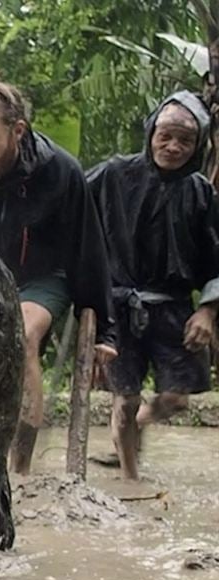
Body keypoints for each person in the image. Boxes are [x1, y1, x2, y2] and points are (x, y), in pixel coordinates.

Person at [0, 65, 117, 475]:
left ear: (17, 131)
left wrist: (106, 329)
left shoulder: (60, 171)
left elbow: (88, 250)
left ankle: (18, 468)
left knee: (21, 336)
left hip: (42, 278)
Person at [85, 90, 219, 480]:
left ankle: (136, 429)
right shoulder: (113, 174)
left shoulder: (201, 194)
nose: (173, 146)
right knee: (124, 401)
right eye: (165, 136)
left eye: (185, 140)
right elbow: (69, 205)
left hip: (173, 307)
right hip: (118, 307)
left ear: (197, 145)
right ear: (150, 134)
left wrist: (208, 310)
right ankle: (130, 480)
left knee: (177, 399)